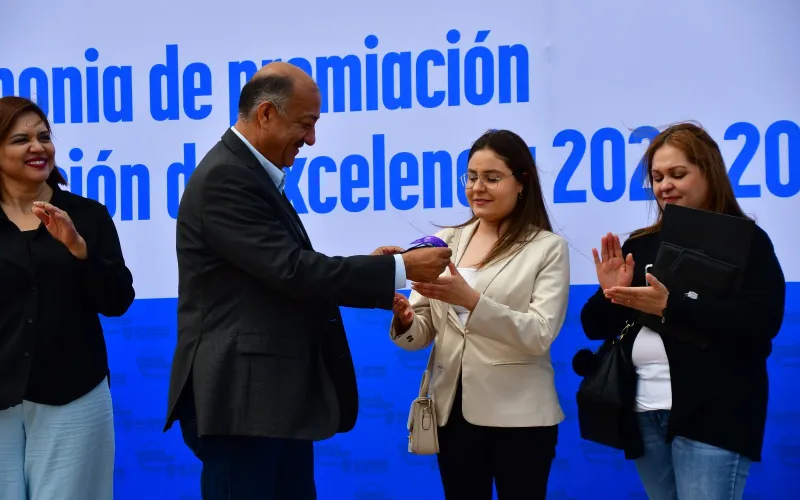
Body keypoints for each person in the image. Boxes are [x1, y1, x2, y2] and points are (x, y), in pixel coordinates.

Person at [163, 61, 452, 500]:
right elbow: (292, 271)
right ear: (266, 114)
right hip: (243, 402)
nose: (311, 139)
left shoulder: (250, 174)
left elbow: (284, 269)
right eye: (305, 124)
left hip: (271, 400)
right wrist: (402, 269)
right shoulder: (226, 178)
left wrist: (374, 266)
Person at [579, 123, 786, 499]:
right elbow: (593, 326)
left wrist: (671, 306)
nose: (665, 186)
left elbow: (763, 318)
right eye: (657, 178)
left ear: (709, 173)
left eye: (677, 174)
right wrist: (610, 292)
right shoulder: (640, 244)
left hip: (715, 416)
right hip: (644, 412)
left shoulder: (748, 241)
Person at [390, 129, 570, 500]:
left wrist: (472, 301)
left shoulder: (547, 248)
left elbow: (539, 334)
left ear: (521, 182)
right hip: (452, 415)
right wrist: (405, 317)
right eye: (471, 177)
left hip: (521, 419)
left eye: (491, 178)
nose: (477, 188)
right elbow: (421, 333)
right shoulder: (444, 241)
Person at [0, 96, 135, 499]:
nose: (37, 147)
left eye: (44, 137)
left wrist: (80, 251)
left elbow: (117, 300)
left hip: (73, 393)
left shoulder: (87, 215)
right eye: (21, 139)